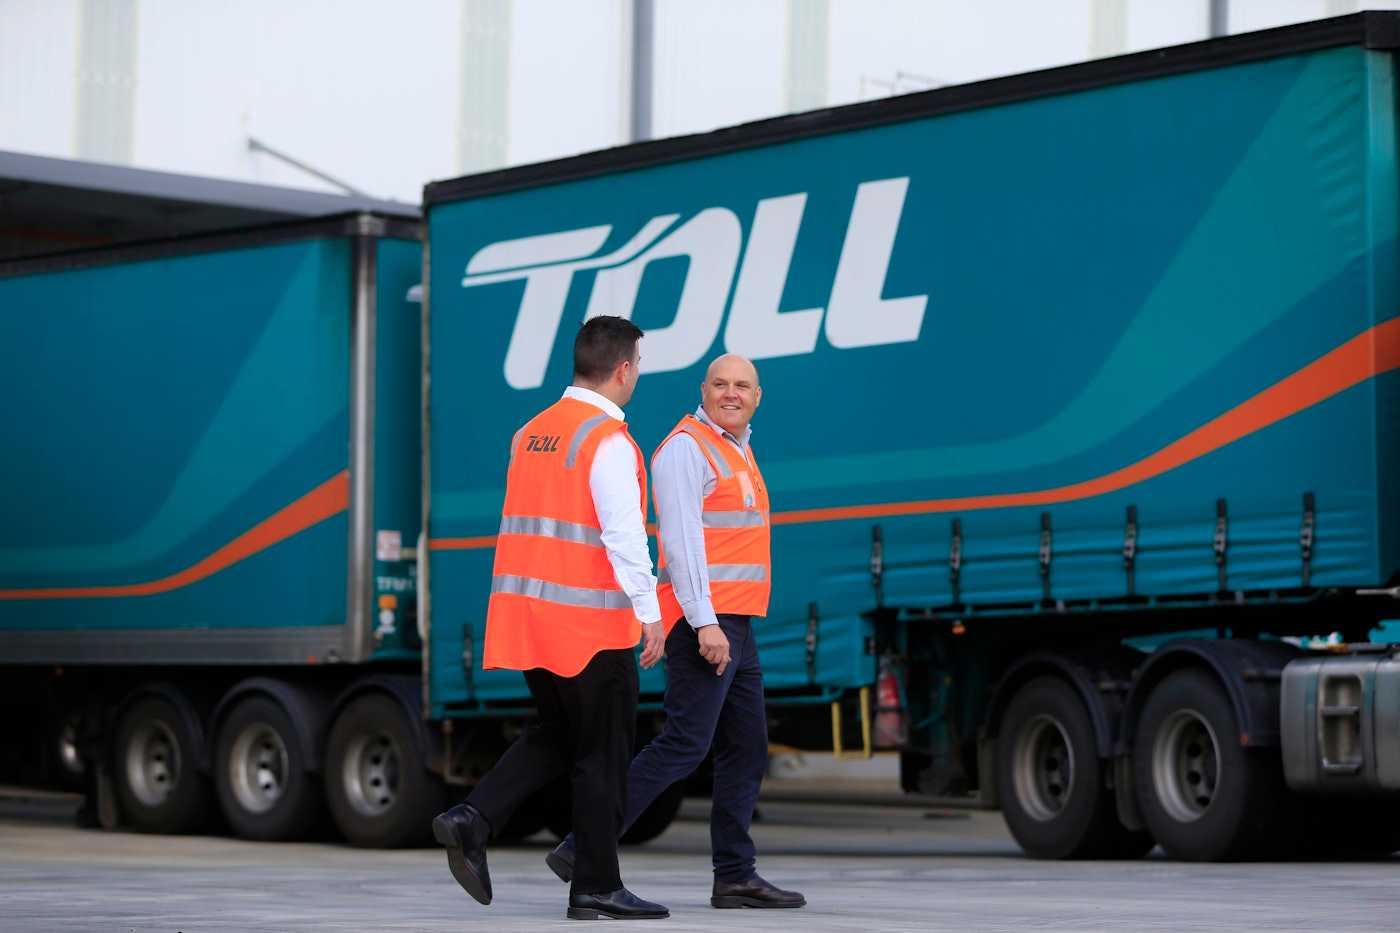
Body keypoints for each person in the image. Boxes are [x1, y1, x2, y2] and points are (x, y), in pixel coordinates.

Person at [432, 315, 669, 922]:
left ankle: (473, 817)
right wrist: (650, 613)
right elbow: (622, 536)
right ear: (623, 369)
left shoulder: (532, 432)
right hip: (589, 627)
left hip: (530, 620)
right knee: (604, 754)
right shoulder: (606, 440)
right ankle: (596, 883)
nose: (636, 375)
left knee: (562, 738)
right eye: (637, 366)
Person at [548, 354, 806, 910]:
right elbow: (682, 544)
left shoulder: (737, 447)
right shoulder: (686, 448)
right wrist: (704, 622)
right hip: (704, 622)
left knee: (747, 746)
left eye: (742, 386)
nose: (731, 393)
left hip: (736, 622)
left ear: (758, 396)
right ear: (703, 390)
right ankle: (582, 846)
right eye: (720, 384)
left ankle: (735, 875)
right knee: (684, 745)